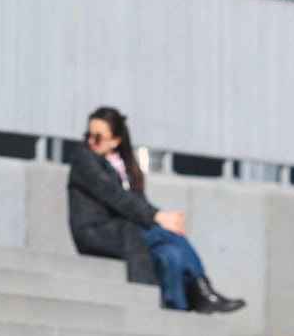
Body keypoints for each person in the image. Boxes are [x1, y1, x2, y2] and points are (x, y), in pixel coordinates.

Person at [67, 106, 244, 314]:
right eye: (88, 135)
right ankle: (202, 288)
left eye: (98, 137)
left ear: (116, 140)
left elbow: (136, 200)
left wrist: (156, 217)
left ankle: (176, 310)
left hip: (127, 229)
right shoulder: (84, 159)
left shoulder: (126, 166)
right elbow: (114, 196)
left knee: (170, 254)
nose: (91, 141)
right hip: (98, 231)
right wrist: (158, 217)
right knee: (166, 232)